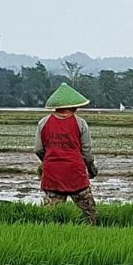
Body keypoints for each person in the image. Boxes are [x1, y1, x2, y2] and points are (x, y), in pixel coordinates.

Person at [33, 83, 98, 224]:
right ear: (74, 106)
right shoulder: (80, 123)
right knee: (89, 213)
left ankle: (50, 233)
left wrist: (48, 160)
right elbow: (86, 152)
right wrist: (91, 168)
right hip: (75, 173)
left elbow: (38, 149)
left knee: (50, 216)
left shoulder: (43, 122)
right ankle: (91, 230)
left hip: (52, 174)